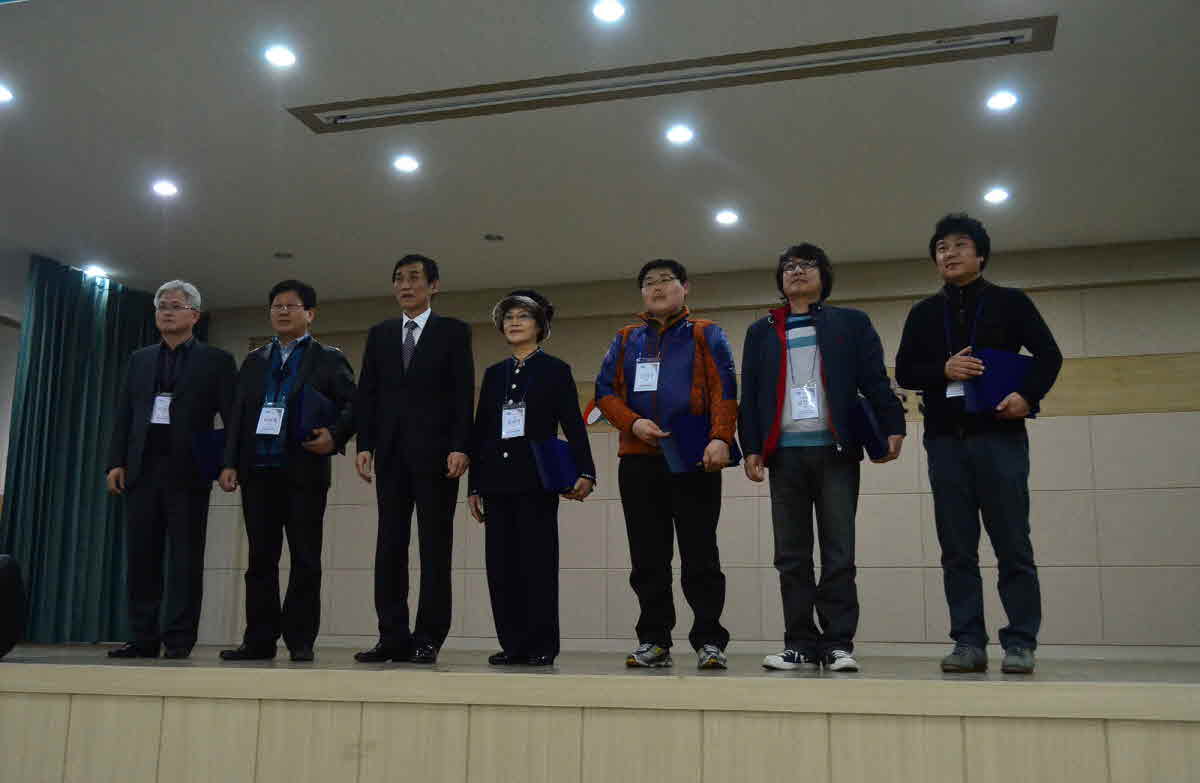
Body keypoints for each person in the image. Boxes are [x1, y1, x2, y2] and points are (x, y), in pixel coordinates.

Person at [896, 213, 1062, 674]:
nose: (949, 253)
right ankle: (968, 642)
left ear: (981, 255)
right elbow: (905, 371)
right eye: (941, 248)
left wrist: (1026, 396)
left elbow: (1049, 356)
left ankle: (1020, 642)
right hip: (945, 442)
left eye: (959, 245)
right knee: (956, 549)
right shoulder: (923, 312)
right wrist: (943, 370)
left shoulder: (1011, 302)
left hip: (1000, 438)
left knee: (1013, 544)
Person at [740, 244, 907, 673]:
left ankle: (837, 644)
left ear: (824, 276)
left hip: (836, 452)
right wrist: (752, 446)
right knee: (790, 555)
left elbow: (875, 378)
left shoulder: (851, 323)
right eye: (789, 267)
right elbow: (751, 393)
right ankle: (798, 643)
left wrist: (894, 424)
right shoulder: (762, 331)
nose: (796, 272)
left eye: (806, 265)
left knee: (838, 552)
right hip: (784, 455)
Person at [595, 259, 738, 670]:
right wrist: (633, 423)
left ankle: (709, 640)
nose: (657, 288)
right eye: (649, 283)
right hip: (638, 461)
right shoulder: (626, 339)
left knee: (700, 554)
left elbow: (725, 387)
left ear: (685, 287)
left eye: (665, 280)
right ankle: (654, 640)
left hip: (693, 457)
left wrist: (720, 437)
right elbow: (604, 392)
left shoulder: (706, 333)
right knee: (647, 557)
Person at [217, 280, 356, 662]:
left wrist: (335, 435)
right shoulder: (255, 360)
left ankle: (300, 640)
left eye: (291, 306)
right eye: (276, 306)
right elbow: (238, 414)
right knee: (260, 559)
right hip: (258, 471)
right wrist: (229, 462)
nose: (282, 312)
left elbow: (353, 405)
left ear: (309, 314)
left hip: (304, 471)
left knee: (305, 558)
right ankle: (258, 640)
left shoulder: (328, 358)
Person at [105, 280, 236, 659]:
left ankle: (179, 639)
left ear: (194, 315)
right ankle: (142, 637)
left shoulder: (217, 360)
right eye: (161, 306)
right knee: (141, 557)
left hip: (189, 470)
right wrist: (115, 461)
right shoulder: (140, 359)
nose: (166, 312)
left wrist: (228, 463)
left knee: (185, 559)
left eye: (175, 306)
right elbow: (125, 414)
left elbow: (232, 417)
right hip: (142, 468)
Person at [354, 254, 474, 664]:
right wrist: (365, 444)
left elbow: (463, 392)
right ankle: (391, 636)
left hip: (438, 455)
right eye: (399, 279)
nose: (405, 285)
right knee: (389, 545)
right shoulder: (380, 333)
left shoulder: (453, 331)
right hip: (390, 453)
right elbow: (368, 392)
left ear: (433, 286)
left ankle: (428, 637)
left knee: (435, 546)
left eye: (414, 278)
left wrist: (461, 445)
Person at [467, 290, 596, 666]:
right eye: (508, 318)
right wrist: (475, 484)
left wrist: (586, 470)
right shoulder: (494, 374)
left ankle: (542, 644)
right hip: (496, 481)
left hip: (537, 480)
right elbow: (481, 431)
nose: (514, 323)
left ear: (540, 326)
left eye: (522, 316)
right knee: (501, 567)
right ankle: (513, 644)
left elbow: (573, 424)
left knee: (537, 564)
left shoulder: (555, 369)